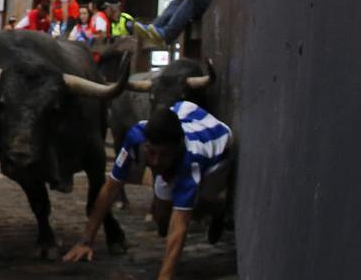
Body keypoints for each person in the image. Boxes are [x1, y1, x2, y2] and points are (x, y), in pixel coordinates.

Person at [63, 101, 233, 279]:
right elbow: (111, 187)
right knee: (162, 216)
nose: (156, 161)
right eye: (151, 153)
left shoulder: (192, 160)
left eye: (164, 154)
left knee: (196, 209)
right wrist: (85, 240)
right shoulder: (136, 136)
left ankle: (217, 210)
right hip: (185, 116)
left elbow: (179, 225)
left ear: (177, 149)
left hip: (217, 153)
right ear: (145, 144)